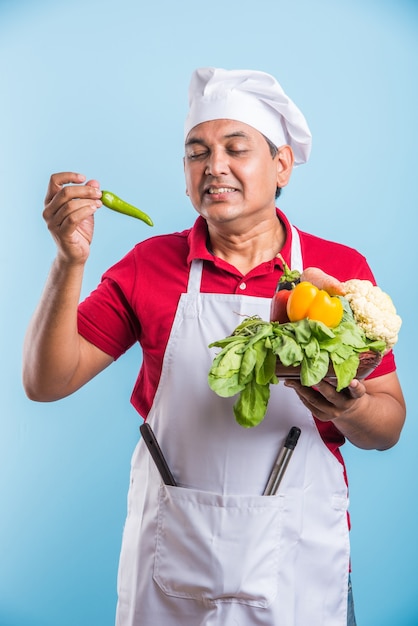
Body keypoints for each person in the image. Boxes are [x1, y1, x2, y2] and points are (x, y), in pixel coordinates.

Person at [23, 67, 406, 626]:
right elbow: (46, 382)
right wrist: (69, 262)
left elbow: (388, 426)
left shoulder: (339, 276)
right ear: (185, 176)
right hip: (169, 565)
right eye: (196, 152)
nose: (214, 166)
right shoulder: (148, 265)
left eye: (235, 148)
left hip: (300, 563)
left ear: (281, 167)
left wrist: (349, 406)